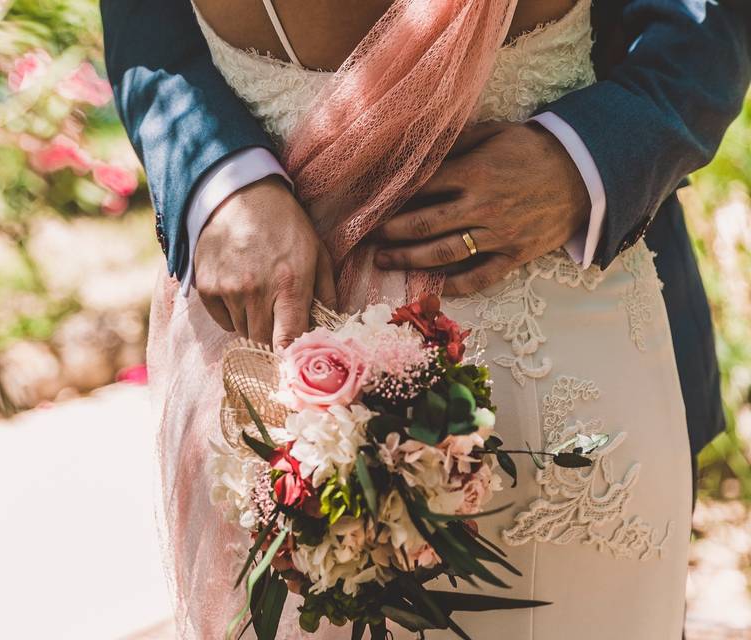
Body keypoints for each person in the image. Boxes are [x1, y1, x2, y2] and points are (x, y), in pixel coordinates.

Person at [102, 1, 751, 637]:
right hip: (268, 360)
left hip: (570, 348)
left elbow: (706, 16)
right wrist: (217, 183)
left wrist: (585, 161)